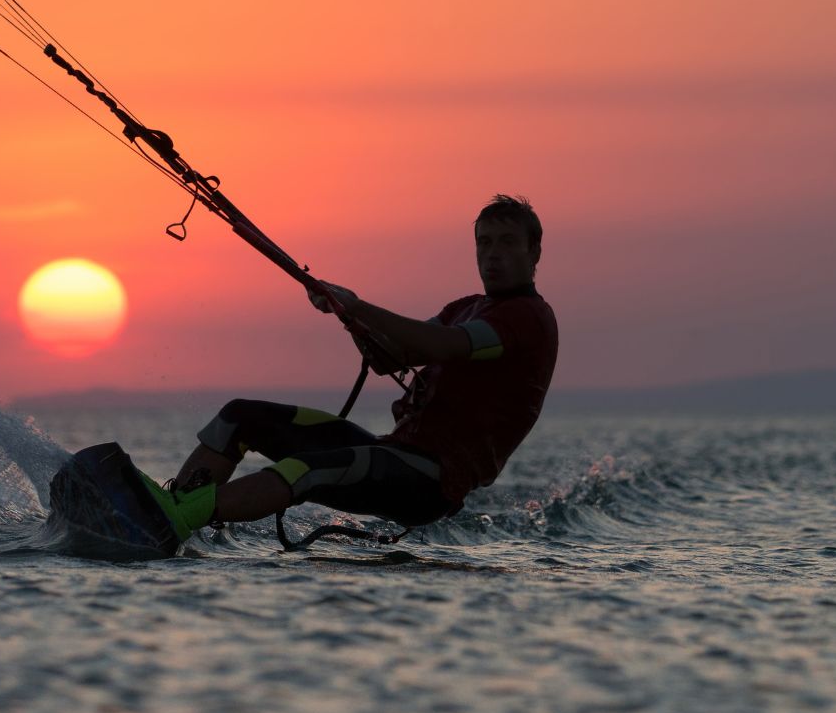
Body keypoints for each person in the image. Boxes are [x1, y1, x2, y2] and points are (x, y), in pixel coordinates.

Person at [138, 194, 559, 541]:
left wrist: (359, 305)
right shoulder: (465, 308)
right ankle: (172, 519)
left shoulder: (526, 318)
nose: (493, 255)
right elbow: (389, 357)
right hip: (393, 453)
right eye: (484, 243)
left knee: (302, 471)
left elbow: (441, 346)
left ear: (534, 252)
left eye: (507, 243)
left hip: (430, 482)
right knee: (240, 416)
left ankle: (176, 517)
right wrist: (347, 316)